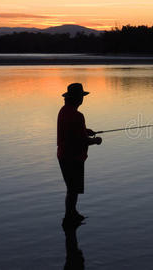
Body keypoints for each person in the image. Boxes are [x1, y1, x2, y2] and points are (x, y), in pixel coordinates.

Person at [57, 83, 102, 222]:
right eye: (81, 97)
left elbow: (73, 132)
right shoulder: (77, 115)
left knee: (71, 188)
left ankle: (71, 213)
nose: (82, 99)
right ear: (76, 98)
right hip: (73, 157)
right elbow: (81, 140)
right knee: (73, 189)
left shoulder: (63, 111)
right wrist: (96, 141)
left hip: (63, 155)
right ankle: (70, 214)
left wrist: (85, 131)